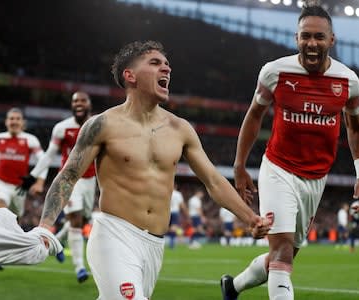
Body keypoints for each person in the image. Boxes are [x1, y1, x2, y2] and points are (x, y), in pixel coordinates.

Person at [37, 40, 271, 299]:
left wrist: (251, 218)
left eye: (167, 65)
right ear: (130, 75)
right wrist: (46, 225)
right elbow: (68, 176)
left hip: (154, 245)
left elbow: (214, 181)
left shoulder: (180, 129)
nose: (167, 69)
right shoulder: (102, 124)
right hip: (113, 235)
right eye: (155, 63)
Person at [220, 3, 359, 300]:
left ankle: (232, 287)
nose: (311, 43)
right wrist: (239, 166)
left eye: (318, 37)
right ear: (296, 38)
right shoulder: (275, 72)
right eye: (305, 36)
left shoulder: (348, 81)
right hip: (278, 169)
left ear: (331, 40)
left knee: (283, 256)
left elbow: (355, 128)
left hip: (316, 179)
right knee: (283, 252)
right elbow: (254, 116)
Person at [18, 91, 96, 283]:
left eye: (82, 101)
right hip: (69, 180)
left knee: (84, 219)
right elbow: (49, 154)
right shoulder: (62, 128)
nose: (78, 104)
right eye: (75, 101)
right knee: (76, 219)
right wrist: (33, 175)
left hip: (91, 180)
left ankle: (59, 240)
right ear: (71, 105)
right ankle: (80, 267)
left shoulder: (97, 125)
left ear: (89, 104)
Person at [167, 182, 187, 249]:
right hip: (175, 212)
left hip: (168, 212)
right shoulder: (178, 194)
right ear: (176, 187)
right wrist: (185, 213)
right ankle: (173, 243)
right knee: (174, 227)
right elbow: (182, 204)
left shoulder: (167, 193)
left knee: (168, 228)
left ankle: (171, 242)